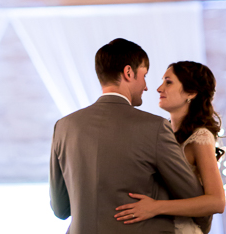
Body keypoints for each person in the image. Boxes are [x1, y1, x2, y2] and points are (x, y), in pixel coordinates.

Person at [50, 39, 210, 234]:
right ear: (128, 72)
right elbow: (194, 197)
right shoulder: (155, 127)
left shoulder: (64, 126)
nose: (146, 86)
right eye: (144, 76)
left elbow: (60, 209)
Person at [115, 60, 225, 233]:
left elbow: (217, 202)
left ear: (191, 92)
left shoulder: (200, 137)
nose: (159, 89)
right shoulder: (162, 133)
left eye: (168, 82)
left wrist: (155, 207)